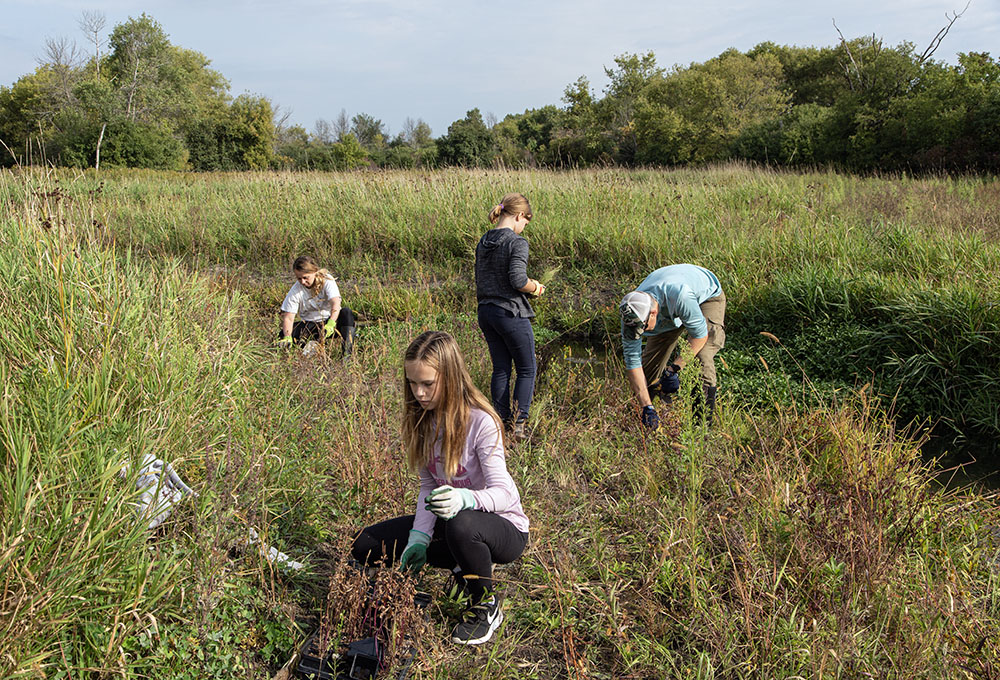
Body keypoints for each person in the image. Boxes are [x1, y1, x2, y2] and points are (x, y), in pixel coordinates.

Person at [351, 331, 530, 646]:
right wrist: (417, 539)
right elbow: (428, 487)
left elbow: (506, 494)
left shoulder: (481, 422)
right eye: (412, 383)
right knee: (365, 544)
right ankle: (462, 567)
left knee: (462, 524)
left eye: (428, 384)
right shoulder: (422, 421)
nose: (418, 393)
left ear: (450, 377)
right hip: (451, 525)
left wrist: (465, 497)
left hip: (502, 529)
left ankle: (485, 605)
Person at [618, 264, 726, 430]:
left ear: (653, 313)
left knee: (701, 357)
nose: (641, 332)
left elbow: (699, 335)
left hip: (706, 297)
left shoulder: (680, 295)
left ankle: (701, 428)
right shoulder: (631, 313)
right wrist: (647, 407)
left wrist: (674, 369)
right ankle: (643, 422)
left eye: (643, 328)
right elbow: (633, 363)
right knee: (648, 369)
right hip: (668, 307)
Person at [475, 193, 545, 440]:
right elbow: (517, 279)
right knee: (527, 368)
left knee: (501, 368)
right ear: (518, 216)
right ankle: (518, 426)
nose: (524, 228)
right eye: (525, 222)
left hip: (486, 312)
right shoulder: (517, 242)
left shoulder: (484, 240)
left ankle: (500, 421)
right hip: (510, 312)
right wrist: (535, 287)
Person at [276, 255, 356, 357]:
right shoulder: (296, 290)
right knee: (283, 334)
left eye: (306, 278)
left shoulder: (327, 280)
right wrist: (287, 337)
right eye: (299, 278)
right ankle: (303, 352)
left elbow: (335, 303)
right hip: (311, 326)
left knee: (347, 313)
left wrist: (331, 323)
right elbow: (288, 318)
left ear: (314, 272)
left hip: (330, 323)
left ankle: (347, 355)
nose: (303, 282)